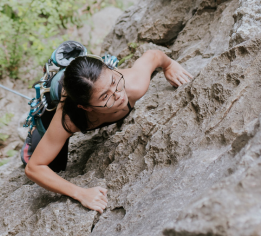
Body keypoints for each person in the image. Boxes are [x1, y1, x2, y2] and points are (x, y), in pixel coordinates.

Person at [23, 50, 193, 213]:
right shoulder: (70, 119)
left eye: (114, 82)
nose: (118, 95)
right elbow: (34, 168)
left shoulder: (133, 84)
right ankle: (32, 133)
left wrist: (169, 65)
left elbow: (154, 55)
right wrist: (80, 193)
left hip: (91, 81)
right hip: (61, 94)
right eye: (105, 97)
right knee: (53, 166)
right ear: (85, 107)